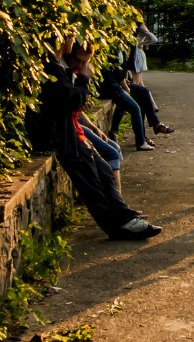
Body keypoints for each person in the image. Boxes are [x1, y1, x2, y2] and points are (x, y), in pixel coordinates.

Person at [36, 38, 160, 240]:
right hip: (62, 136)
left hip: (69, 132)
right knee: (91, 182)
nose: (72, 38)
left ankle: (125, 218)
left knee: (102, 170)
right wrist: (84, 80)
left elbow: (73, 101)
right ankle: (118, 226)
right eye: (69, 37)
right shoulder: (52, 67)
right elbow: (72, 100)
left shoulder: (58, 66)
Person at [101, 56, 175, 150]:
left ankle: (152, 126)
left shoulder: (123, 49)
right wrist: (126, 87)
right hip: (111, 87)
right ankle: (140, 142)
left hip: (119, 83)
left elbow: (122, 69)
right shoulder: (114, 48)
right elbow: (115, 70)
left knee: (143, 92)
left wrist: (125, 80)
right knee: (135, 108)